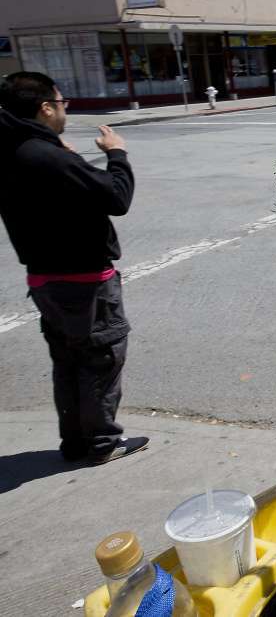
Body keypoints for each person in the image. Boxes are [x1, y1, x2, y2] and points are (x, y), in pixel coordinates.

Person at [0, 72, 149, 464]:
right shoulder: (43, 155)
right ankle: (102, 443)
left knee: (67, 363)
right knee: (100, 359)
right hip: (83, 279)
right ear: (45, 107)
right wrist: (116, 153)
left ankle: (76, 442)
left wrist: (64, 156)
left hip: (44, 278)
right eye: (62, 104)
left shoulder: (14, 150)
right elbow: (116, 196)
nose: (64, 110)